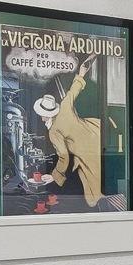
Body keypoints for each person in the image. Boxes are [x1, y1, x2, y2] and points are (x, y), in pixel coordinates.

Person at [40, 54, 105, 208]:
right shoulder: (64, 106)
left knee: (94, 192)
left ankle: (104, 204)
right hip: (96, 132)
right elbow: (73, 90)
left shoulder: (53, 132)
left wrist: (55, 176)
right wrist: (82, 72)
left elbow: (64, 157)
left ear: (44, 115)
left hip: (86, 152)